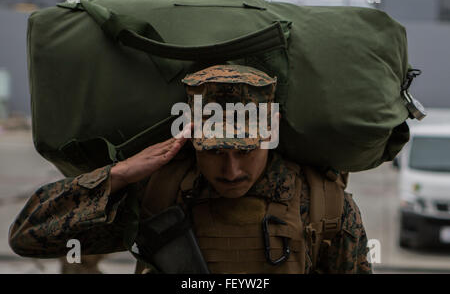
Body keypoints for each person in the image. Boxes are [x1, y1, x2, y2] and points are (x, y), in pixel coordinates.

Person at [8, 65, 372, 274]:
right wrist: (119, 174)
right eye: (213, 151)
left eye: (245, 151)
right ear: (191, 137)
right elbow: (27, 235)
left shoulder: (324, 206)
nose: (231, 170)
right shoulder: (160, 194)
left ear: (271, 132)